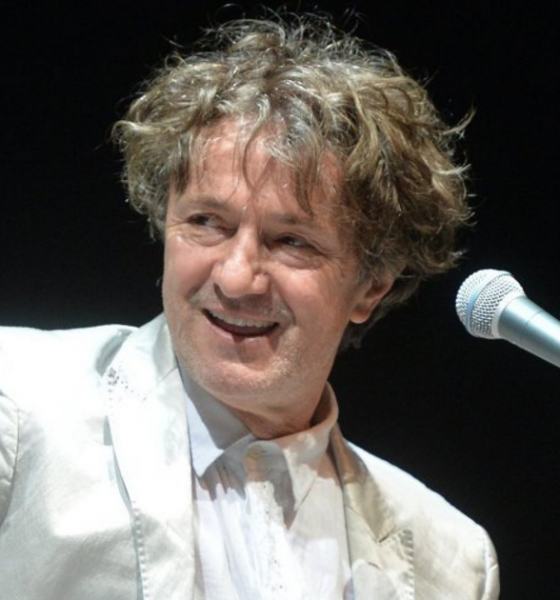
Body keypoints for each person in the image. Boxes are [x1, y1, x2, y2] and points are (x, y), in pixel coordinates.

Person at [0, 14, 499, 600]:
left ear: (371, 286)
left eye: (292, 241)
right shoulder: (18, 404)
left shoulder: (453, 561)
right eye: (206, 222)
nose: (237, 278)